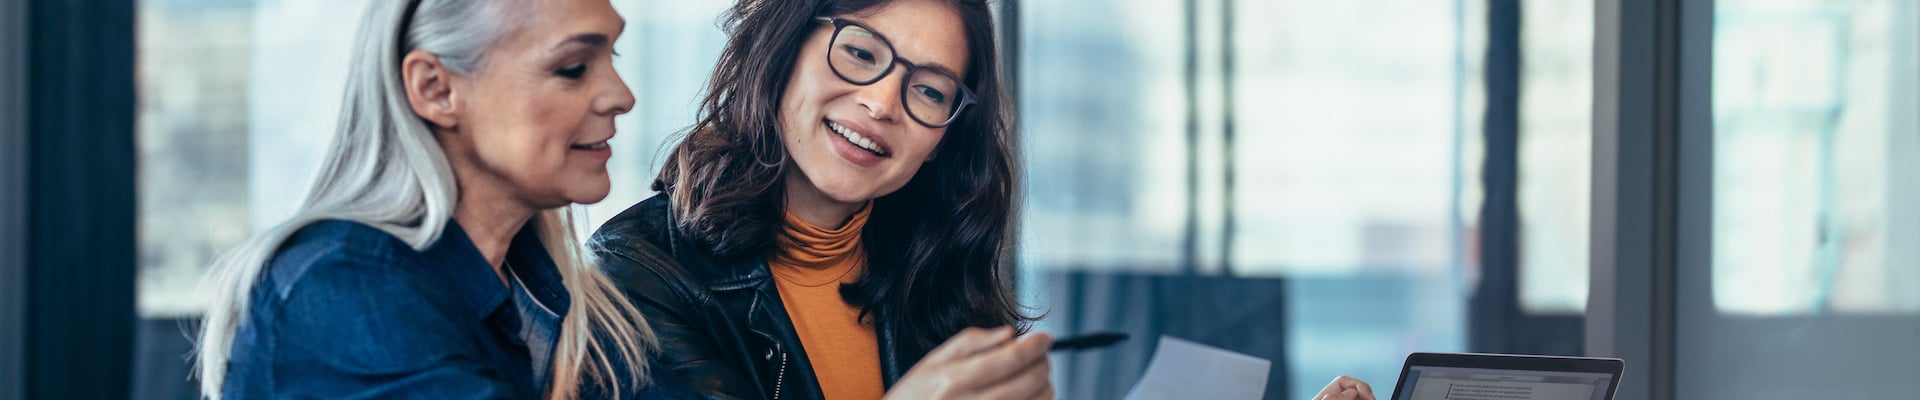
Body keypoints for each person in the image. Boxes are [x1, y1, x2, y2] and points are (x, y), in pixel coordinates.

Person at [192, 0, 693, 398]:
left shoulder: (548, 294)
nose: (621, 95)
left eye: (613, 58)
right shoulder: (344, 284)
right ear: (435, 89)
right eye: (573, 67)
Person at [588, 0, 1050, 398]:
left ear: (942, 141)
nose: (882, 104)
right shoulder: (635, 273)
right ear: (784, 49)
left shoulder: (940, 274)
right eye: (860, 53)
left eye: (930, 91)